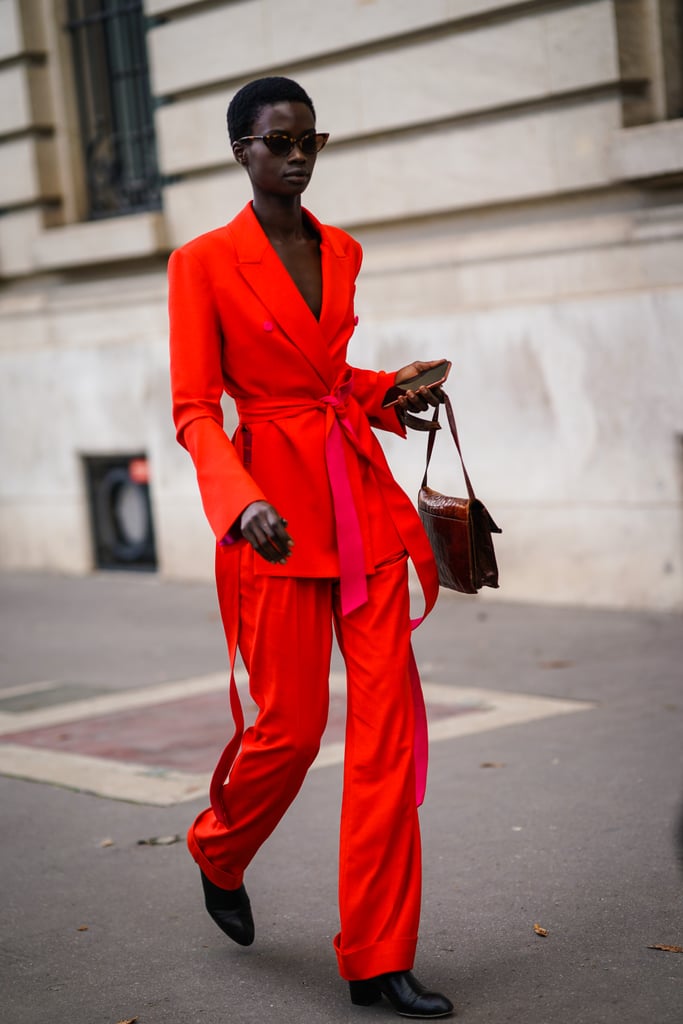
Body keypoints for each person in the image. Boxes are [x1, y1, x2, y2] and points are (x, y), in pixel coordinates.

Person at [168, 76, 454, 1019]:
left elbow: (326, 375)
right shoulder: (202, 262)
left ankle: (377, 956)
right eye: (274, 141)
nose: (294, 156)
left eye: (307, 141)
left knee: (384, 737)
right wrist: (237, 500)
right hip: (274, 517)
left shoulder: (343, 248)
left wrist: (388, 391)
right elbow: (194, 410)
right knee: (288, 730)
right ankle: (220, 845)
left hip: (358, 506)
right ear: (240, 151)